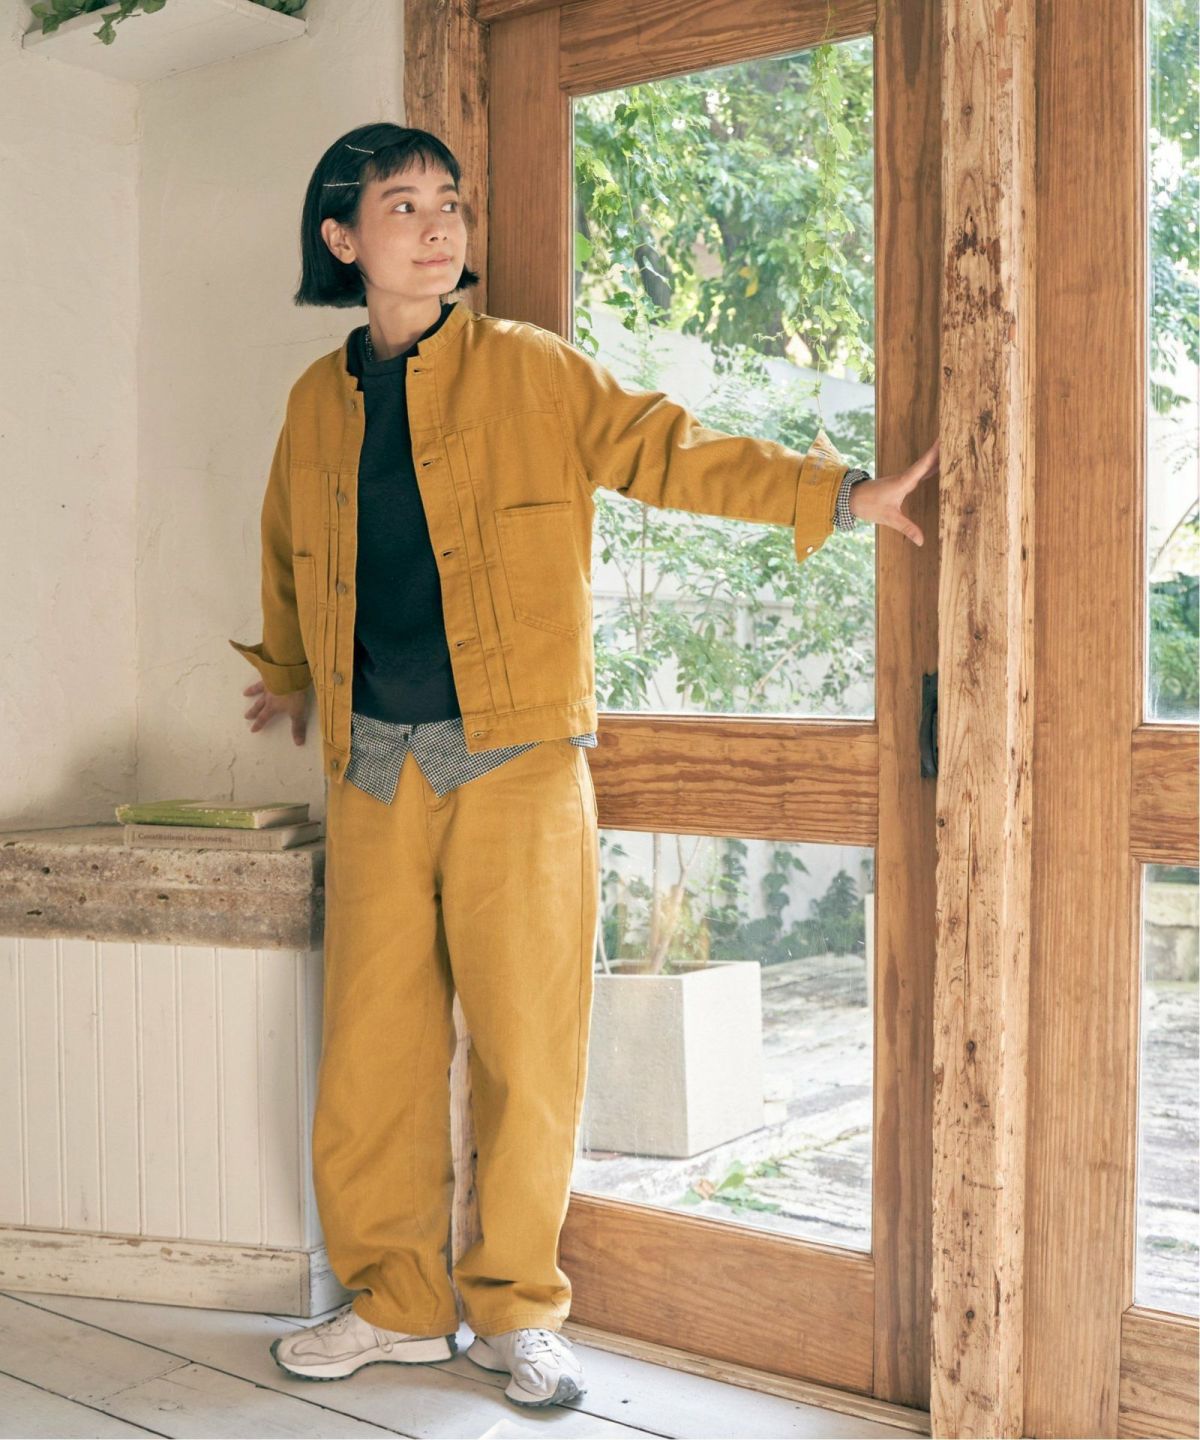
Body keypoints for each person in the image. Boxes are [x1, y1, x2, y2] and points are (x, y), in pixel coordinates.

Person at [231, 122, 937, 1412]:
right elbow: (290, 548)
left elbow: (669, 450)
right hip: (373, 764)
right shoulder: (310, 403)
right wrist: (285, 671)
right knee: (372, 1057)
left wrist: (840, 497)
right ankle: (397, 1304)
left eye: (450, 202)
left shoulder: (530, 369)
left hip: (516, 758)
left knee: (528, 1048)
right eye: (404, 205)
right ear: (343, 239)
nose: (439, 227)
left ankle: (516, 1313)